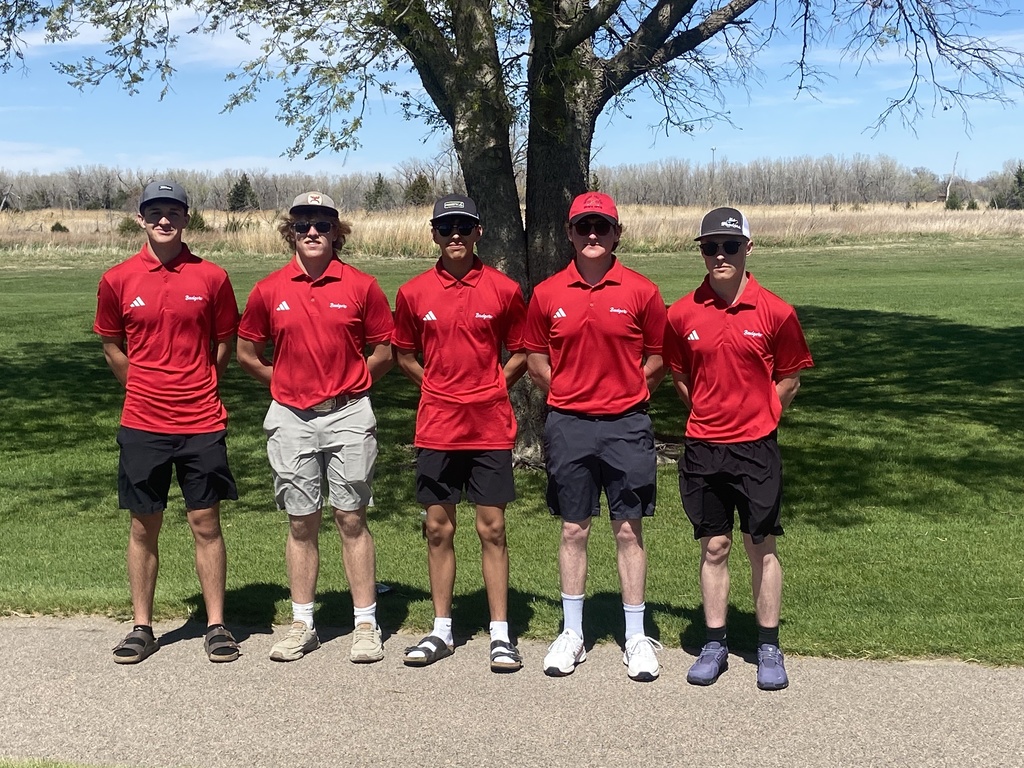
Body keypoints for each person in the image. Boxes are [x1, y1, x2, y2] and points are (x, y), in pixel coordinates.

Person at [236, 191, 394, 664]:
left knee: (351, 516)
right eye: (303, 223)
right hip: (291, 417)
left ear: (336, 232)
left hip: (347, 413)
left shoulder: (362, 286)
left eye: (322, 224)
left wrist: (354, 384)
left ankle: (365, 622)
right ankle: (302, 621)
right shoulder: (268, 289)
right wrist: (283, 382)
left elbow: (384, 351)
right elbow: (247, 354)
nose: (312, 232)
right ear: (291, 230)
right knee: (301, 521)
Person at [664, 206, 814, 691]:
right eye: (710, 247)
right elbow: (680, 376)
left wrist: (762, 414)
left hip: (756, 448)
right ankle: (715, 642)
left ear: (748, 248)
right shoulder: (682, 312)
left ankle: (768, 644)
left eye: (729, 246)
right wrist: (708, 412)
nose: (720, 255)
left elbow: (789, 376)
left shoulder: (776, 311)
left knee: (761, 544)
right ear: (702, 253)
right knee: (714, 545)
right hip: (705, 448)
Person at [94, 180, 241, 665]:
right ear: (140, 218)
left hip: (201, 419)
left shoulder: (212, 277)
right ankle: (142, 626)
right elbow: (113, 344)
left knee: (205, 521)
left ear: (185, 218)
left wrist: (199, 382)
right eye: (154, 212)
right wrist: (139, 386)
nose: (164, 220)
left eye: (173, 212)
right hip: (143, 422)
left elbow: (223, 343)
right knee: (143, 526)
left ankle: (216, 624)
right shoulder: (117, 279)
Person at [524, 191, 667, 682]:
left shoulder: (641, 291)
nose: (592, 236)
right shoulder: (547, 293)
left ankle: (634, 636)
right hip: (569, 424)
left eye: (601, 228)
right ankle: (572, 633)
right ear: (569, 233)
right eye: (583, 227)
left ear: (616, 234)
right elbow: (535, 357)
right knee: (573, 528)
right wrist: (562, 390)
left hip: (627, 426)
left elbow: (658, 355)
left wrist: (629, 393)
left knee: (628, 528)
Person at [392, 194, 528, 673]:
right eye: (446, 227)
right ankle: (442, 629)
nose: (455, 235)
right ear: (433, 233)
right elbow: (404, 352)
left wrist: (495, 384)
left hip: (489, 427)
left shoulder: (504, 289)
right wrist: (429, 382)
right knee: (437, 528)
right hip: (437, 427)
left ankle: (500, 634)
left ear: (478, 232)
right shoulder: (413, 292)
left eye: (463, 227)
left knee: (492, 528)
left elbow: (524, 350)